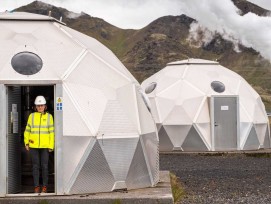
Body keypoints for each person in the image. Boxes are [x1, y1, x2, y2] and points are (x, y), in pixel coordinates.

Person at [24, 96, 54, 193]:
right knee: (35, 166)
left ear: (45, 106)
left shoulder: (49, 117)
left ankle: (44, 186)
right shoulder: (31, 116)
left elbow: (51, 133)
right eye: (38, 105)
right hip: (34, 146)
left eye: (42, 105)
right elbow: (27, 130)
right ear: (36, 107)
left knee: (45, 166)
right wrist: (26, 142)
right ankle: (36, 186)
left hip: (45, 147)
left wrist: (51, 146)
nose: (40, 107)